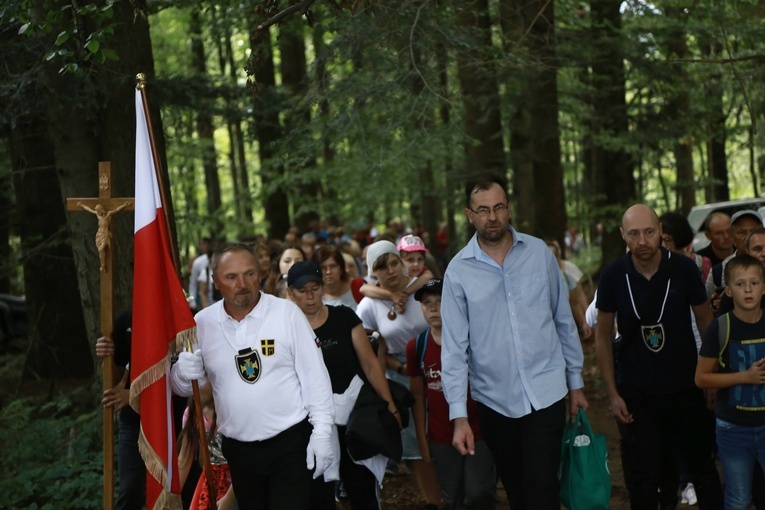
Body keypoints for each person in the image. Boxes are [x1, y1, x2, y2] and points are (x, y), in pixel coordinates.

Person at [441, 177, 588, 510]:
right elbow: (453, 350)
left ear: (508, 209)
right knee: (518, 491)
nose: (492, 217)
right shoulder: (458, 272)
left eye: (498, 207)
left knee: (543, 487)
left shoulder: (539, 253)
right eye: (483, 210)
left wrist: (576, 384)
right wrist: (459, 418)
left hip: (546, 390)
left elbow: (563, 320)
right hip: (495, 399)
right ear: (469, 214)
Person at [170, 243, 335, 509]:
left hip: (290, 444)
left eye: (249, 274)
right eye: (231, 277)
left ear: (260, 274)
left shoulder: (286, 313)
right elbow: (186, 388)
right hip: (239, 450)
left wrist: (323, 432)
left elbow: (315, 376)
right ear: (215, 281)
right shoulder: (202, 324)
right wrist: (180, 373)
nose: (242, 284)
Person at [595, 203, 723, 509]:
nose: (643, 241)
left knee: (702, 470)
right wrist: (612, 394)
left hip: (686, 386)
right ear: (623, 235)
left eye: (650, 232)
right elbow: (601, 336)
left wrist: (712, 378)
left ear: (660, 233)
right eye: (635, 234)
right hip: (637, 392)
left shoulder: (682, 268)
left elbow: (706, 320)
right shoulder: (613, 275)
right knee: (645, 480)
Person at [287, 260, 401, 509]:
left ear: (323, 287)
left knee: (362, 490)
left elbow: (370, 364)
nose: (310, 296)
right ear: (290, 293)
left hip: (354, 419)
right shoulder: (287, 330)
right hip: (311, 424)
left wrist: (390, 407)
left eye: (315, 288)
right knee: (319, 494)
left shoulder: (343, 317)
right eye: (302, 290)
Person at [356, 240, 442, 509]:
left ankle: (459, 490)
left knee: (444, 429)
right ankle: (435, 502)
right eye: (382, 267)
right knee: (416, 444)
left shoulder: (422, 287)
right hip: (403, 376)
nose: (391, 271)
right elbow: (369, 349)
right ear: (374, 273)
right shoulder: (370, 304)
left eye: (394, 262)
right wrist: (398, 368)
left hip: (439, 368)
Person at [407, 279, 496, 510]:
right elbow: (417, 394)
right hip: (441, 436)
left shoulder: (473, 341)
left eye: (440, 301)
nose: (434, 308)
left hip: (479, 430)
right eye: (427, 303)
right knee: (452, 498)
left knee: (478, 493)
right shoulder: (416, 346)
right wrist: (421, 436)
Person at [696, 254, 765, 510]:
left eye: (755, 283)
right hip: (733, 428)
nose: (748, 289)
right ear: (728, 290)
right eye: (740, 284)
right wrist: (744, 377)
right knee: (738, 499)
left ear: (764, 287)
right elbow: (701, 377)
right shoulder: (721, 327)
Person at [706, 210, 763, 306]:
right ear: (732, 237)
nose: (748, 237)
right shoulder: (720, 271)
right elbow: (707, 305)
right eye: (742, 232)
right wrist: (715, 306)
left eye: (753, 231)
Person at [313, 245, 364, 311]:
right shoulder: (313, 296)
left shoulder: (358, 286)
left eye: (333, 266)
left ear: (341, 268)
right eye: (323, 267)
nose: (328, 272)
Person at [188, 237, 211, 312]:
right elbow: (193, 283)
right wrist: (192, 301)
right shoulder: (197, 261)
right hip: (200, 297)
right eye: (202, 244)